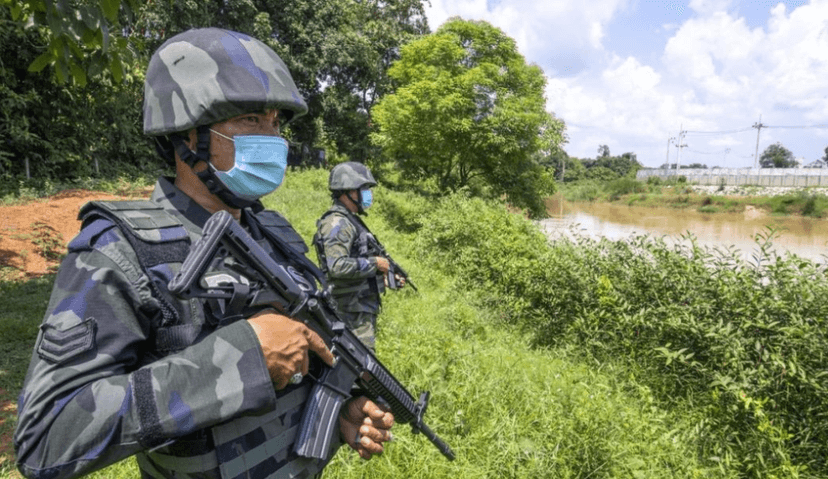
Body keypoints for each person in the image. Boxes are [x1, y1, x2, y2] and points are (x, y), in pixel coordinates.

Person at [14, 28, 393, 479]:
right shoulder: (120, 250)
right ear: (186, 135)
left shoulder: (274, 232)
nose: (273, 138)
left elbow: (297, 351)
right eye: (252, 120)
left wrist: (338, 410)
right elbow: (46, 438)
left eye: (275, 123)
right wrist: (242, 359)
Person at [313, 162, 406, 352]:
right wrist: (375, 264)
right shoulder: (337, 223)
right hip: (348, 311)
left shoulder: (351, 220)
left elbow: (357, 260)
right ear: (347, 192)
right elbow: (336, 266)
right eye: (363, 189)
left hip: (359, 309)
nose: (367, 194)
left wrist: (383, 278)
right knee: (359, 368)